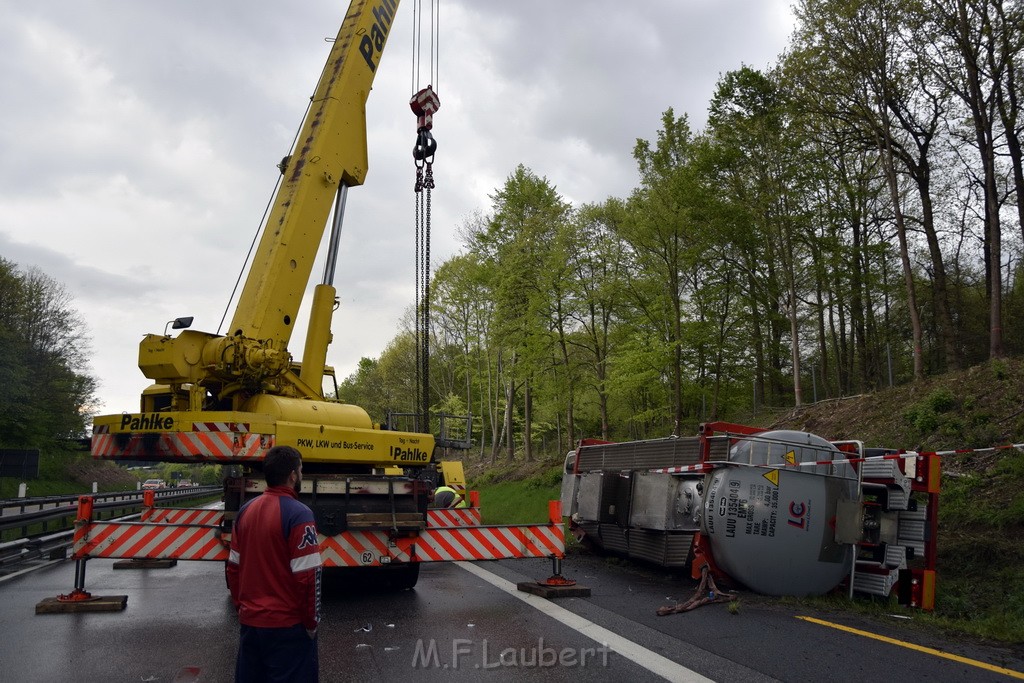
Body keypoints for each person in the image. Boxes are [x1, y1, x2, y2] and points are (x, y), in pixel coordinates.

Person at [227, 445, 322, 682]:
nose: (301, 475)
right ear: (293, 475)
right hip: (287, 628)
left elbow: (233, 568)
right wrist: (311, 623)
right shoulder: (300, 515)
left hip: (251, 625)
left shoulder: (245, 511)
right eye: (300, 470)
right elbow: (308, 577)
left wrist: (243, 609)